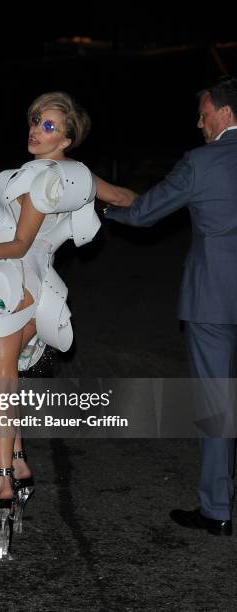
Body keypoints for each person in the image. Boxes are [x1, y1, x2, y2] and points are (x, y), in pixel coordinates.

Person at [0, 91, 135, 558]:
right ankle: (16, 462)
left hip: (15, 280)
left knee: (0, 380)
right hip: (29, 281)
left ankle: (4, 485)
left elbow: (19, 243)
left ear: (68, 137)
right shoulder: (78, 177)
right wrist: (176, 202)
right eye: (35, 121)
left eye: (50, 126)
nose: (36, 129)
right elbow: (126, 197)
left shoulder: (45, 180)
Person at [105, 76, 237, 536]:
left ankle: (217, 509)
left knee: (219, 405)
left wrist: (102, 210)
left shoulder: (201, 163)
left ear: (224, 113)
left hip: (213, 302)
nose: (198, 123)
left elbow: (144, 213)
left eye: (203, 114)